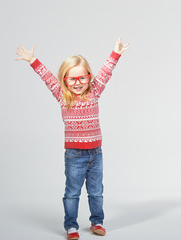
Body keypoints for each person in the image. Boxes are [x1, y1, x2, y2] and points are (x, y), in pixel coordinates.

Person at [15, 38, 129, 239]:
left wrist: (115, 54)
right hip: (74, 155)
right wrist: (32, 60)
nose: (78, 83)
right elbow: (47, 77)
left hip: (96, 153)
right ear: (64, 80)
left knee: (96, 191)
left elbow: (106, 73)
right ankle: (71, 226)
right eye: (72, 79)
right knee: (72, 192)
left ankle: (97, 222)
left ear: (89, 77)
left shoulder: (94, 91)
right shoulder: (62, 95)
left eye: (82, 78)